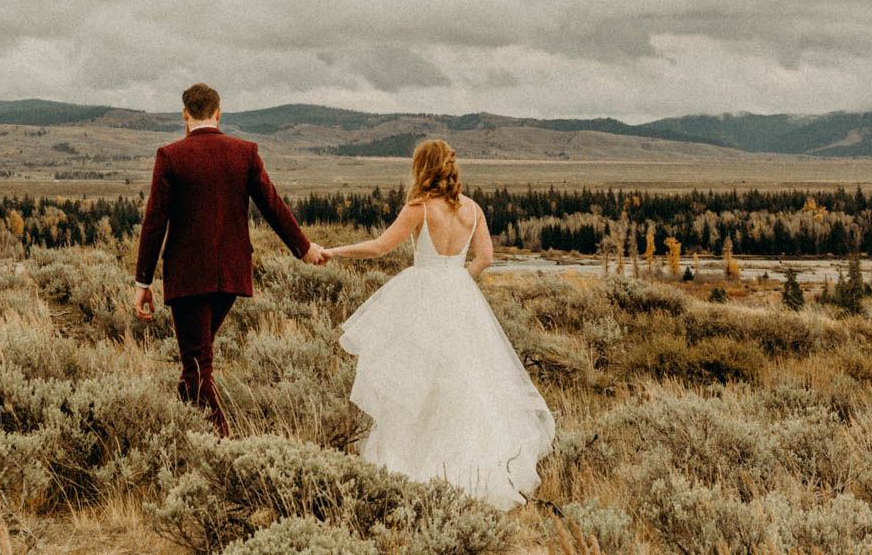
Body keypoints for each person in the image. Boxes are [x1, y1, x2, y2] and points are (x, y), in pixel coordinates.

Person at [324, 139, 555, 510]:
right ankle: (470, 470)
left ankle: (416, 470)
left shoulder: (419, 208)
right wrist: (460, 279)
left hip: (422, 295)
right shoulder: (473, 210)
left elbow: (381, 247)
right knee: (465, 382)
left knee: (418, 382)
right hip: (459, 296)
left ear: (422, 168)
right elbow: (486, 258)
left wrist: (333, 251)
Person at [132, 83, 327, 436]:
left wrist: (142, 282)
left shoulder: (170, 156)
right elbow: (273, 205)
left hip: (189, 278)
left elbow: (154, 221)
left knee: (196, 364)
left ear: (185, 114)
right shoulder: (244, 152)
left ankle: (225, 447)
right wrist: (303, 248)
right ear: (219, 114)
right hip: (232, 277)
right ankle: (176, 433)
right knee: (195, 364)